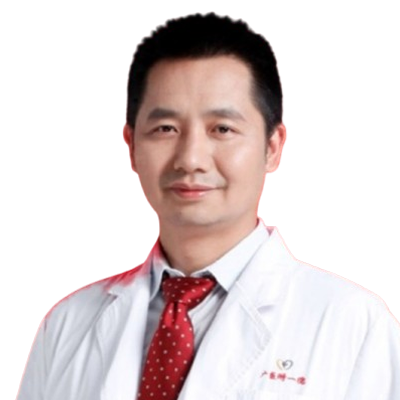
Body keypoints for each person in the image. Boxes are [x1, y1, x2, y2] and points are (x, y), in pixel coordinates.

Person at [16, 12, 400, 400]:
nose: (191, 159)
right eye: (166, 129)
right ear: (131, 147)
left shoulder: (354, 325)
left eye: (222, 129)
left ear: (272, 147)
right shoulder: (67, 324)